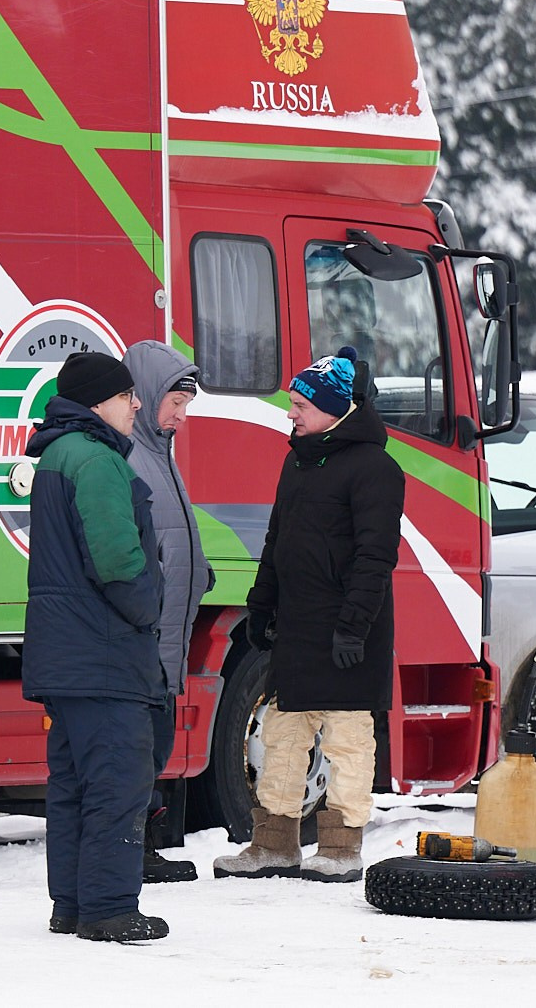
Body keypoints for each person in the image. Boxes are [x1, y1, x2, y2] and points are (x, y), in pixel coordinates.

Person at [215, 348, 400, 883]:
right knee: (282, 735)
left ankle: (341, 847)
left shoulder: (376, 469)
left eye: (300, 405)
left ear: (335, 409)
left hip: (347, 632)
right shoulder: (297, 461)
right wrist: (260, 605)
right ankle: (273, 843)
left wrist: (353, 628)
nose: (291, 413)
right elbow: (276, 541)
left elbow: (375, 558)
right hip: (297, 627)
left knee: (347, 739)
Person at [21, 350, 170, 943]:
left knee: (75, 786)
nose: (136, 405)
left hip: (67, 655)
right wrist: (149, 609)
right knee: (117, 781)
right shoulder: (97, 459)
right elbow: (116, 560)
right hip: (104, 653)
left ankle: (73, 904)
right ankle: (108, 908)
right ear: (99, 402)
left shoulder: (60, 453)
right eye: (127, 395)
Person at [122, 341, 206, 885]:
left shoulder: (159, 453)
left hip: (164, 636)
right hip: (146, 637)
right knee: (137, 749)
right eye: (175, 403)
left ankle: (144, 847)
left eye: (186, 405)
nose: (181, 416)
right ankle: (133, 852)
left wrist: (199, 572)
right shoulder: (133, 457)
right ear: (148, 394)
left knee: (153, 746)